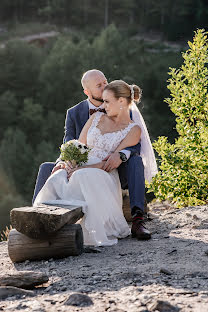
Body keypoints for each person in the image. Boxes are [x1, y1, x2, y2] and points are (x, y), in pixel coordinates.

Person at [33, 70, 158, 240]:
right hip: (83, 160)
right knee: (50, 169)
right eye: (99, 86)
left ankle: (138, 219)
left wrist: (121, 155)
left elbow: (136, 144)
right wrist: (65, 162)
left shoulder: (123, 106)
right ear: (87, 92)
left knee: (135, 160)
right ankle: (35, 218)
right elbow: (72, 142)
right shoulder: (76, 113)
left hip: (115, 167)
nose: (105, 86)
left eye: (105, 82)